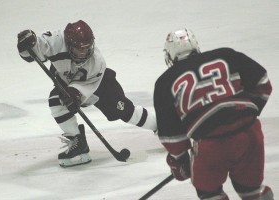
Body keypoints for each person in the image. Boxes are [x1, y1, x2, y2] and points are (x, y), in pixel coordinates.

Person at [17, 20, 157, 167]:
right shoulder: (56, 41)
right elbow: (33, 50)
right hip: (68, 82)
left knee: (126, 112)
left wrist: (75, 94)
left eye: (87, 48)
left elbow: (87, 87)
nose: (84, 53)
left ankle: (161, 127)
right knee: (56, 102)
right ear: (69, 44)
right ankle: (78, 143)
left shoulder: (97, 61)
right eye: (79, 49)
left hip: (100, 85)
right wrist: (27, 43)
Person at [153, 28, 274, 199]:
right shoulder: (226, 54)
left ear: (169, 56)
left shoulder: (165, 82)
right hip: (249, 133)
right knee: (251, 190)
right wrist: (247, 113)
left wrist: (180, 160)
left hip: (211, 144)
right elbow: (262, 83)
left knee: (209, 193)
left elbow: (170, 135)